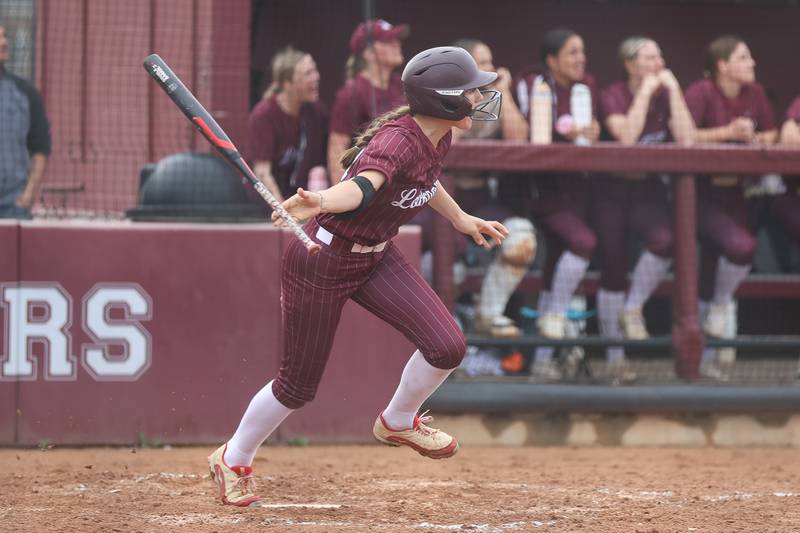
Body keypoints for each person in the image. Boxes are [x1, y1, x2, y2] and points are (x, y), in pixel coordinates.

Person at [207, 46, 507, 507]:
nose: (480, 97)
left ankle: (398, 420)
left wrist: (460, 217)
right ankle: (233, 457)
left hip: (376, 256)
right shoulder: (397, 141)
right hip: (322, 259)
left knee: (447, 345)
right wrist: (321, 201)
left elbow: (424, 181)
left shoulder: (438, 134)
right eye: (470, 90)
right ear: (443, 99)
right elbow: (363, 187)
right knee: (296, 387)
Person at [594, 36, 695, 381]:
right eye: (649, 58)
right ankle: (614, 357)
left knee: (666, 241)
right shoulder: (613, 94)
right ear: (630, 64)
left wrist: (675, 91)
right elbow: (627, 137)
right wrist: (644, 93)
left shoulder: (667, 95)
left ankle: (633, 308)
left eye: (660, 56)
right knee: (612, 267)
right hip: (611, 190)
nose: (658, 63)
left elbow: (687, 139)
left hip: (648, 192)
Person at [685, 35, 777, 379]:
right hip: (700, 195)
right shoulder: (701, 92)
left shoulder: (754, 93)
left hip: (739, 194)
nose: (752, 63)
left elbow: (772, 134)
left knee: (714, 276)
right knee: (740, 249)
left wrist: (750, 138)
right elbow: (685, 135)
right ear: (722, 65)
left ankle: (709, 365)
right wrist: (728, 132)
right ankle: (707, 339)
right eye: (743, 57)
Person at [512, 29, 600, 379]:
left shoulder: (585, 86)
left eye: (582, 51)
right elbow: (535, 133)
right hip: (540, 192)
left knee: (554, 275)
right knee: (583, 243)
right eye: (572, 52)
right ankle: (551, 324)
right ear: (551, 59)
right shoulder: (533, 81)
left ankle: (544, 364)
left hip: (578, 188)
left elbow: (591, 133)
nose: (580, 58)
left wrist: (590, 130)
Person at [450, 38, 534, 338]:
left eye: (490, 62)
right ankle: (447, 321)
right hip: (446, 199)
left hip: (482, 195)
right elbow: (448, 143)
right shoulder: (445, 95)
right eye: (483, 63)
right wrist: (466, 98)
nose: (492, 69)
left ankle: (489, 313)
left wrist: (505, 92)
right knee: (447, 260)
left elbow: (518, 137)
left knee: (521, 236)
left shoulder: (494, 96)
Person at [327, 19, 408, 182]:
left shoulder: (401, 84)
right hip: (368, 183)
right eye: (388, 41)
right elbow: (336, 152)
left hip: (401, 181)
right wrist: (343, 199)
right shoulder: (352, 92)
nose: (396, 44)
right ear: (369, 53)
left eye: (396, 39)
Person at [248, 46, 328, 204]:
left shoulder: (316, 112)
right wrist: (283, 212)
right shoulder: (264, 115)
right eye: (308, 74)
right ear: (286, 84)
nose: (316, 77)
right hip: (264, 208)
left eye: (315, 71)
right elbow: (262, 172)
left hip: (300, 201)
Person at [0, 25, 51, 219]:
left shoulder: (24, 93)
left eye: (5, 36)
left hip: (13, 207)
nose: (5, 43)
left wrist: (29, 194)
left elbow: (41, 147)